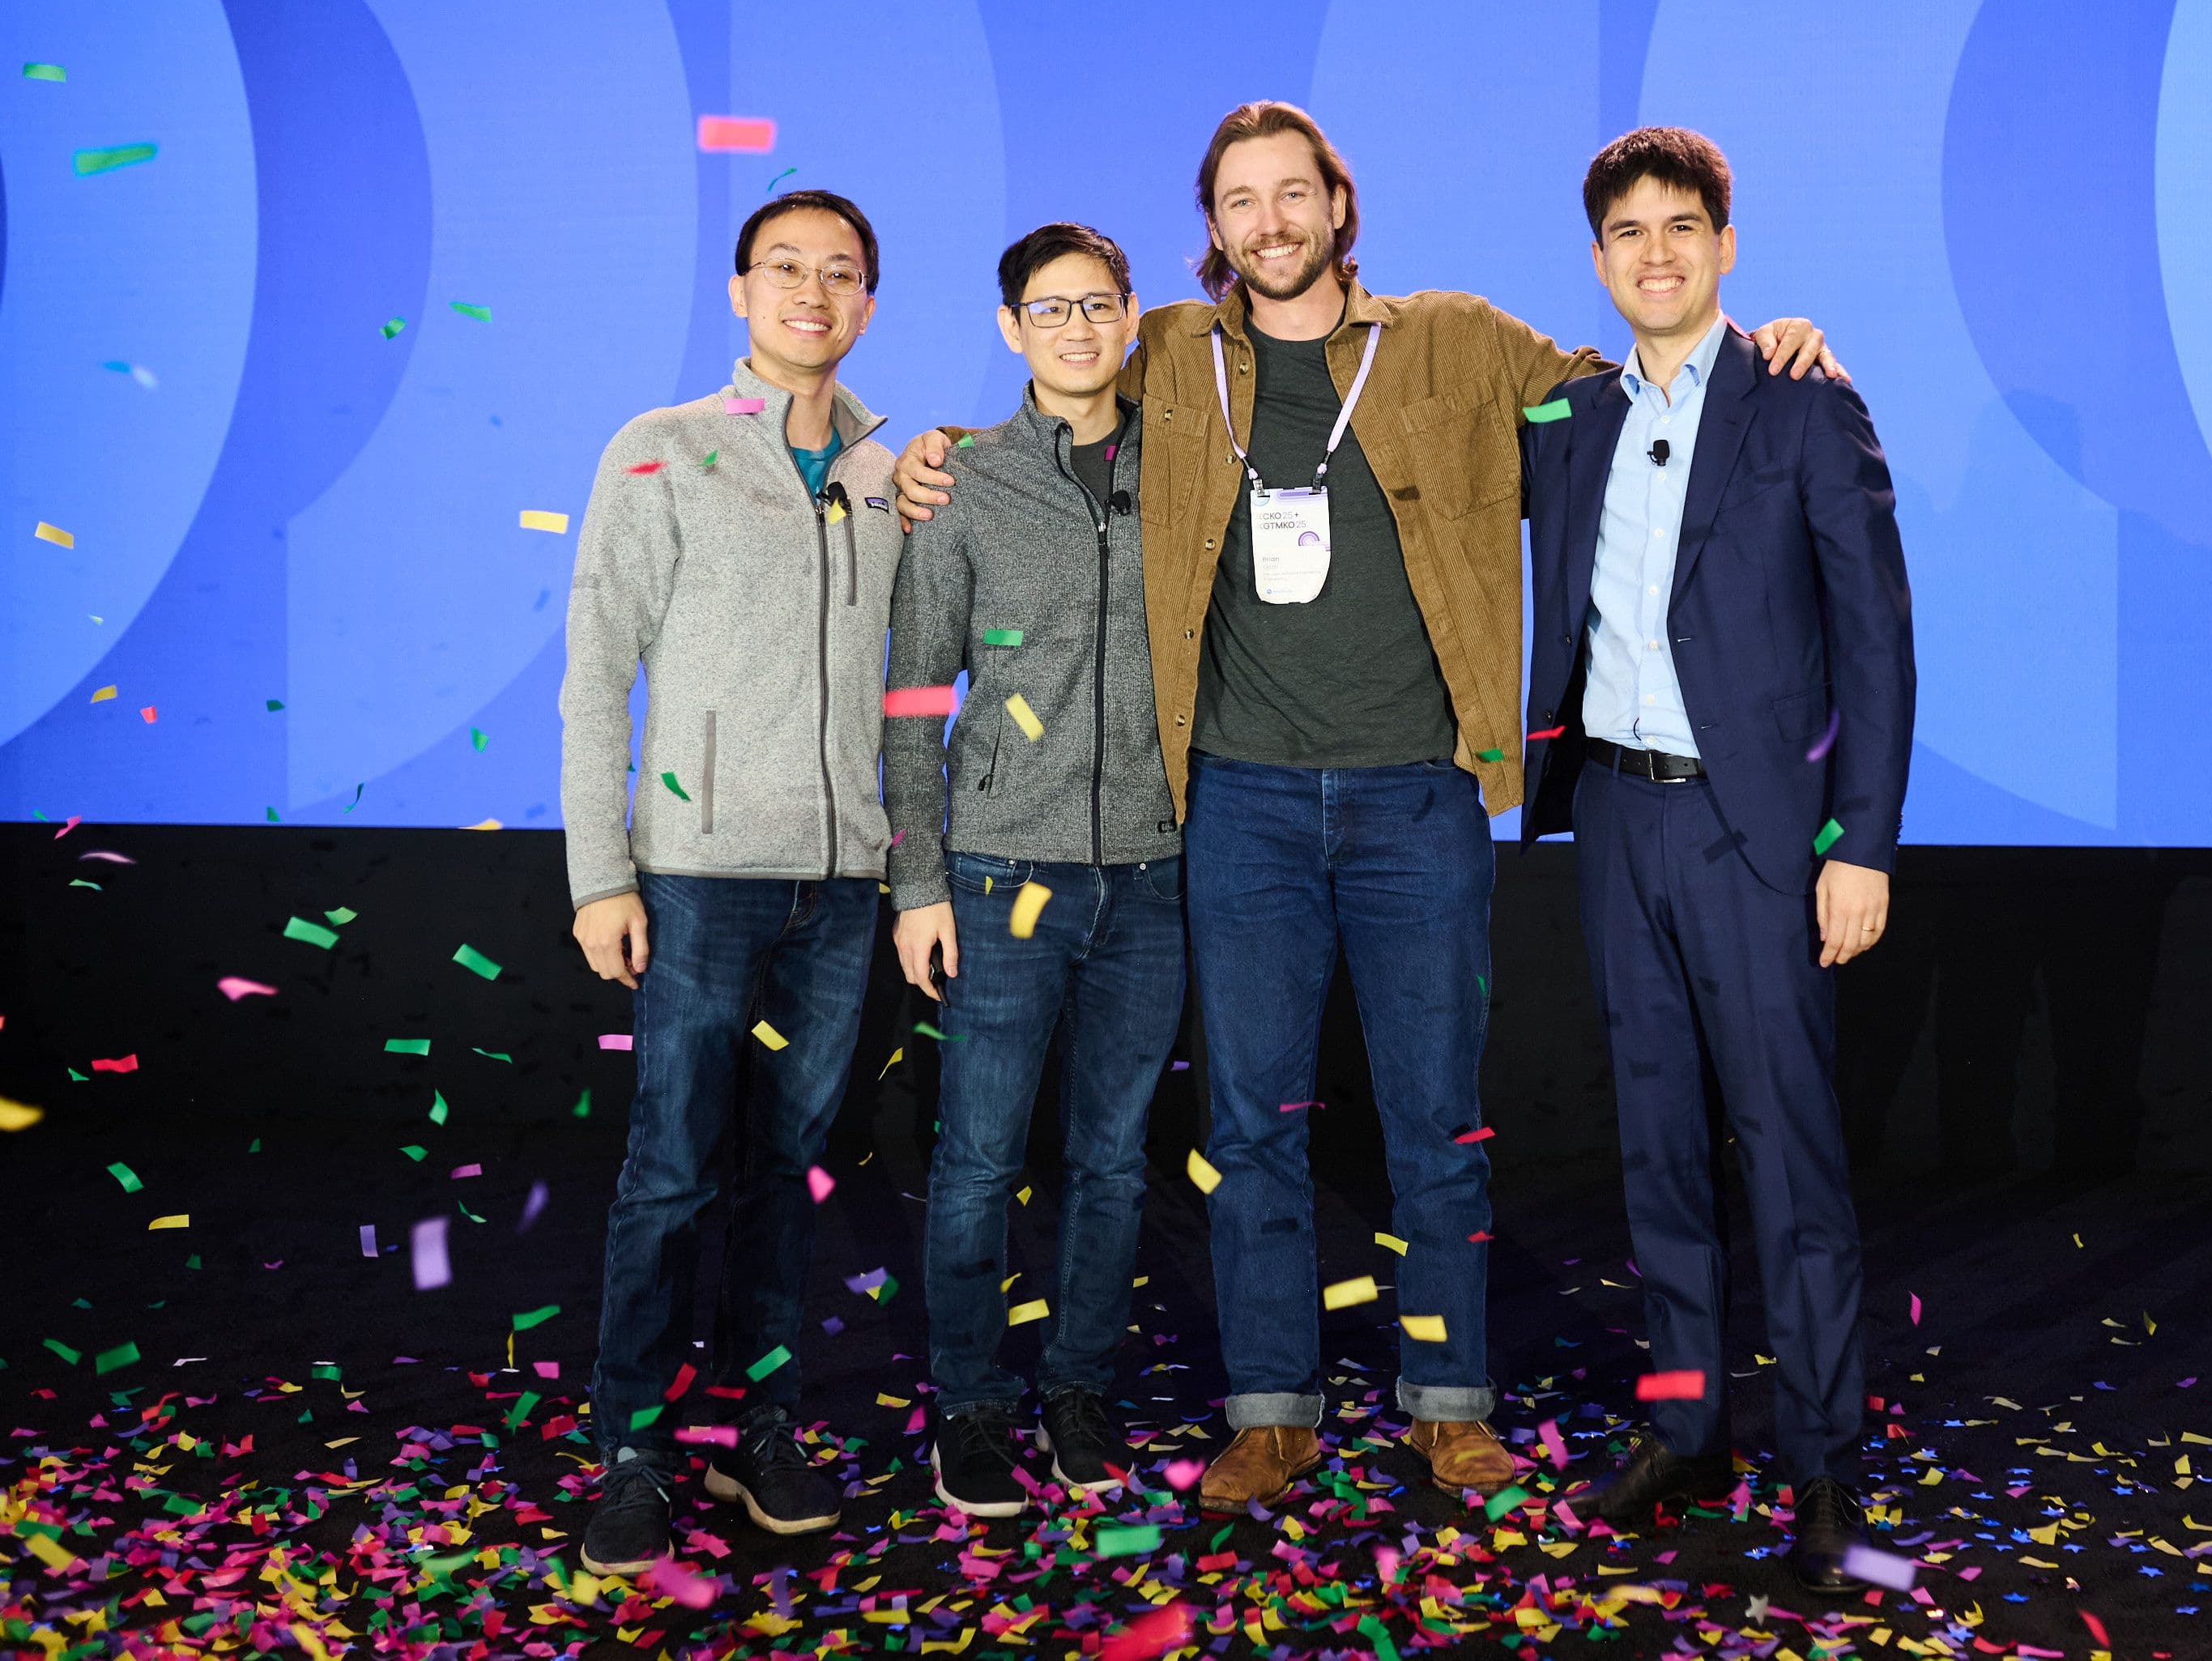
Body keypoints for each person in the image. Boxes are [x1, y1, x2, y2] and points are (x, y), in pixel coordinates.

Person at [893, 102, 1839, 1514]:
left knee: (1434, 1120)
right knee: (1256, 1119)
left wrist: (1771, 348)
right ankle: (1272, 1411)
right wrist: (920, 456)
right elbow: (1051, 394)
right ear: (1212, 228)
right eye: (1241, 201)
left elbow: (1638, 384)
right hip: (1241, 803)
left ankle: (1447, 1405)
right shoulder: (1164, 352)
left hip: (1419, 798)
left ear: (1340, 205)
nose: (1270, 222)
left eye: (1295, 194)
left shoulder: (1455, 341)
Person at [1522, 128, 1913, 1593]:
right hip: (1618, 820)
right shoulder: (1566, 417)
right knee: (1658, 1145)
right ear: (1601, 256)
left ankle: (1825, 1462)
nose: (1658, 251)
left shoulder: (1807, 403)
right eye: (1628, 230)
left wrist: (1859, 843)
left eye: (1683, 226)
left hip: (1761, 835)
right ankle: (1689, 1428)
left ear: (1727, 245)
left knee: (1792, 1158)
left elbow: (1875, 641)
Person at [559, 190, 904, 1572]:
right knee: (668, 1172)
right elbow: (595, 674)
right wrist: (601, 871)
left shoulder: (895, 472)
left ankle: (768, 1426)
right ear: (740, 290)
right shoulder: (663, 451)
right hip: (698, 881)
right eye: (786, 269)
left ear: (868, 303)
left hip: (843, 887)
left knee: (788, 1170)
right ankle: (635, 1450)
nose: (812, 292)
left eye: (842, 274)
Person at [883, 224, 1183, 1518]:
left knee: (1115, 1159)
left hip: (1160, 871)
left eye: (1098, 304)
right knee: (978, 1158)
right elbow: (911, 694)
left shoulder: (1187, 465)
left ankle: (1076, 1387)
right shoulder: (964, 480)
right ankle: (970, 1404)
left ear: (1130, 318)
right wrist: (918, 877)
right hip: (1004, 871)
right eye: (1048, 309)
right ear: (1011, 328)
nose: (1076, 328)